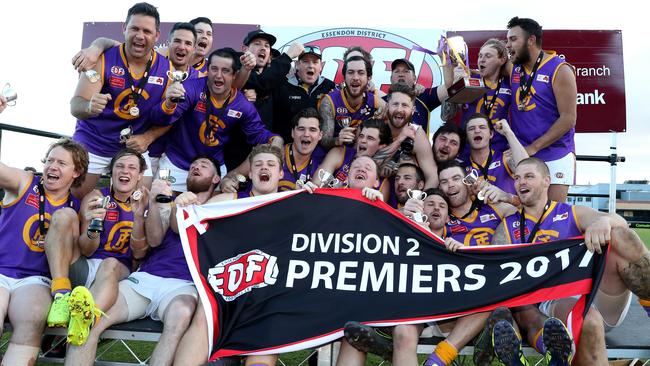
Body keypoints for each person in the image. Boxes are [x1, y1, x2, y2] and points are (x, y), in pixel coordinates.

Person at [489, 157, 650, 366]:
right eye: (517, 178)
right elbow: (494, 271)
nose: (521, 182)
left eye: (529, 176)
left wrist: (603, 221)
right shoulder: (507, 227)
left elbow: (620, 222)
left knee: (621, 235)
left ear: (547, 181)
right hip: (558, 300)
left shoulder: (570, 212)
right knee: (588, 321)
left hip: (599, 294)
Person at [65, 155, 221, 366]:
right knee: (90, 322)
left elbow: (236, 197)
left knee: (181, 314)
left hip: (183, 286)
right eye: (193, 165)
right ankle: (86, 318)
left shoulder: (224, 208)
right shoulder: (170, 200)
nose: (196, 167)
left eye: (204, 165)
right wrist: (157, 203)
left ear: (216, 179)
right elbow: (154, 240)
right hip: (147, 277)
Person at [172, 144, 285, 366]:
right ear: (250, 173)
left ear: (280, 174)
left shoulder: (293, 203)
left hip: (270, 288)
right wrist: (181, 206)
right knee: (205, 314)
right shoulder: (228, 201)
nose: (265, 168)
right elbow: (180, 226)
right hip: (231, 281)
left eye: (271, 165)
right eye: (258, 165)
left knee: (271, 320)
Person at [44, 149, 147, 347]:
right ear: (112, 171)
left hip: (117, 273)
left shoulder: (145, 201)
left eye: (132, 167)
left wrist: (139, 218)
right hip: (86, 266)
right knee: (65, 214)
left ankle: (82, 322)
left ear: (139, 175)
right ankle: (62, 295)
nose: (125, 171)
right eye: (120, 166)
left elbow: (140, 253)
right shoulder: (97, 196)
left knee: (110, 263)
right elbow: (87, 249)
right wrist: (94, 226)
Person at [0, 137, 87, 364]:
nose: (52, 167)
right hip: (1, 271)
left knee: (32, 320)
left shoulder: (75, 208)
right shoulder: (25, 182)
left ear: (76, 172)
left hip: (36, 279)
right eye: (50, 160)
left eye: (61, 163)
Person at [70, 2, 169, 198]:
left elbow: (172, 117)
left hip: (132, 147)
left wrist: (147, 138)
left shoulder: (167, 69)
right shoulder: (102, 58)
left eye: (147, 31)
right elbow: (76, 105)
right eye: (134, 28)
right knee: (75, 197)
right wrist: (89, 106)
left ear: (157, 35)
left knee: (142, 201)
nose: (140, 36)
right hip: (94, 140)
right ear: (124, 28)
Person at [151, 47, 282, 192]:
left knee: (214, 212)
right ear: (208, 70)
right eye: (214, 69)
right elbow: (159, 119)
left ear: (234, 75)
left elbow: (259, 134)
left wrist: (275, 139)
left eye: (225, 71)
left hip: (214, 169)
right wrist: (168, 104)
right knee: (162, 206)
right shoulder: (191, 88)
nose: (218, 75)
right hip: (177, 163)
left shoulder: (242, 105)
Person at [506, 17, 577, 202]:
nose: (508, 45)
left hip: (556, 153)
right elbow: (484, 71)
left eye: (513, 39)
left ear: (531, 40)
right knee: (524, 215)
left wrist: (533, 148)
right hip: (524, 154)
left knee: (551, 216)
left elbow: (568, 118)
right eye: (507, 40)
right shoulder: (514, 68)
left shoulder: (560, 69)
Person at [453, 39, 512, 158]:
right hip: (468, 150)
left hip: (499, 149)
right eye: (480, 56)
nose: (482, 59)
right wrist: (456, 85)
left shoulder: (510, 82)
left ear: (502, 60)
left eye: (488, 56)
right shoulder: (469, 79)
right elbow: (447, 114)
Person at [372, 83, 438, 188]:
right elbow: (364, 166)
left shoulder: (417, 134)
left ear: (413, 110)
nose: (399, 109)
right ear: (387, 106)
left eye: (405, 105)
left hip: (405, 198)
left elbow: (432, 176)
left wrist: (420, 200)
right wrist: (399, 141)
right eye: (395, 104)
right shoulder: (374, 127)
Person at [271, 46, 336, 142]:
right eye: (305, 61)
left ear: (321, 66)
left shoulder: (330, 86)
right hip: (286, 147)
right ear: (297, 65)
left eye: (315, 62)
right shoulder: (282, 86)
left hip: (319, 149)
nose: (311, 66)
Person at [318, 56, 384, 148]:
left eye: (361, 73)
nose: (355, 77)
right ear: (344, 77)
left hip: (362, 154)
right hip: (335, 153)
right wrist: (337, 140)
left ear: (369, 78)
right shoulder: (329, 101)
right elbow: (323, 141)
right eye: (350, 72)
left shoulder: (375, 101)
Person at [311, 118, 391, 188]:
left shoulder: (383, 177)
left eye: (370, 138)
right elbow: (316, 185)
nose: (363, 140)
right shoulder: (340, 153)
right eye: (361, 136)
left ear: (382, 146)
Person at [464, 114, 528, 195]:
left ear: (491, 134)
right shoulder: (462, 170)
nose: (477, 131)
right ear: (466, 137)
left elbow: (527, 169)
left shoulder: (505, 158)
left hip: (510, 206)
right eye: (471, 129)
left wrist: (508, 133)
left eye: (482, 127)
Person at [388, 58, 450, 133]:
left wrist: (445, 58)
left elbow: (449, 87)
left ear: (414, 78)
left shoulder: (423, 96)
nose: (401, 74)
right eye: (397, 71)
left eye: (406, 71)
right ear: (391, 79)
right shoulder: (381, 101)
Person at [277, 108, 327, 191]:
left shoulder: (323, 161)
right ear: (292, 133)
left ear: (320, 135)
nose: (306, 134)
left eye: (312, 130)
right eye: (301, 129)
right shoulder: (275, 153)